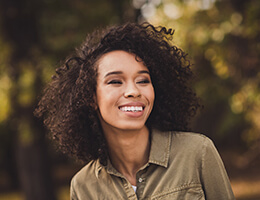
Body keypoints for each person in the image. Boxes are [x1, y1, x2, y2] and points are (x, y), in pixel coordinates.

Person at [35, 22, 235, 199]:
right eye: (115, 81)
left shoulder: (197, 153)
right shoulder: (83, 186)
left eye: (143, 80)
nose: (133, 91)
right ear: (90, 98)